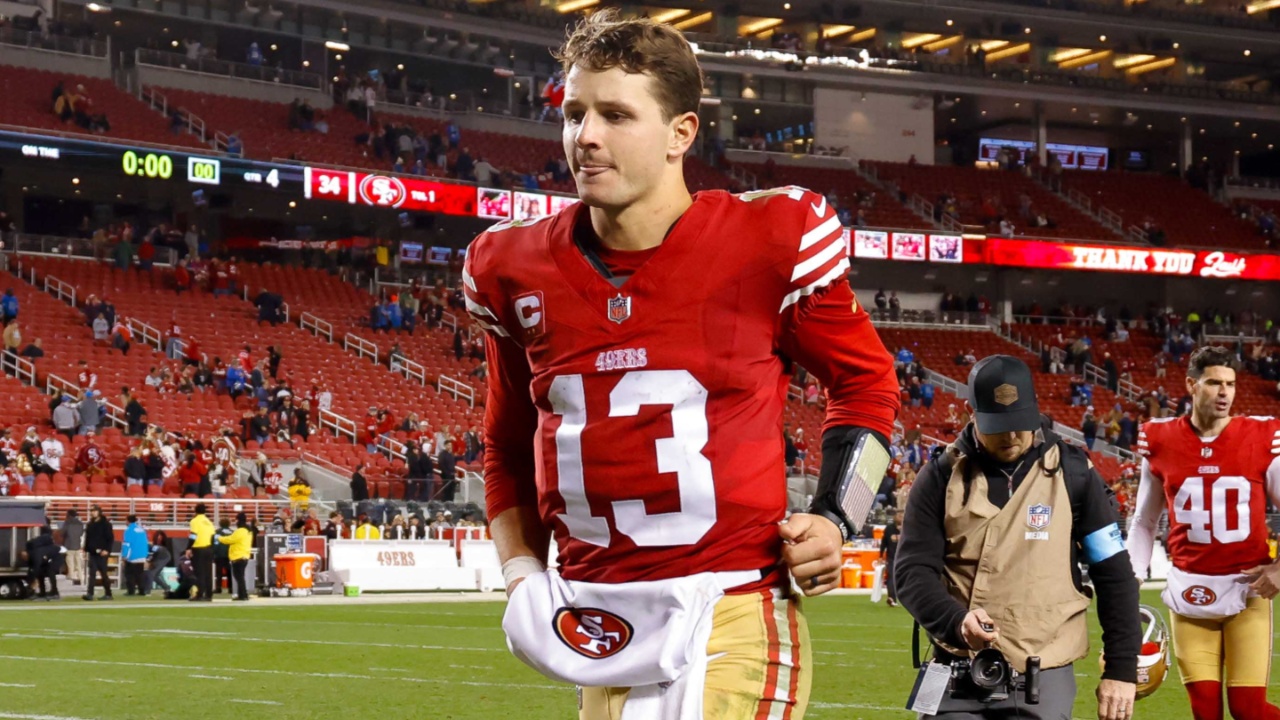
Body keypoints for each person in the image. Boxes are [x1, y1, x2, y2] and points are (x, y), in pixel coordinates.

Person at [463, 11, 899, 719]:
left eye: (615, 115)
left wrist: (833, 519)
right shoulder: (510, 266)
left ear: (680, 133)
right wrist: (519, 573)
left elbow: (866, 382)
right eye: (574, 114)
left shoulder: (769, 238)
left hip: (729, 601)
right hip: (594, 617)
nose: (586, 136)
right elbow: (507, 443)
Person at [895, 355, 1140, 720]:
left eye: (1019, 423)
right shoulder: (940, 476)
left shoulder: (1076, 473)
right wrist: (956, 621)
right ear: (972, 413)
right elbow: (911, 573)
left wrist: (1121, 669)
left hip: (1044, 672)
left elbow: (1113, 572)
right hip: (955, 666)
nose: (1011, 436)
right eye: (998, 426)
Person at [1127, 346, 1280, 720]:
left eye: (1230, 384)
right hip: (1189, 590)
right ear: (1191, 385)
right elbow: (1143, 522)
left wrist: (1279, 567)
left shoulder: (1260, 435)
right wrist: (1130, 580)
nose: (1224, 392)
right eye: (1214, 383)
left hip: (1247, 589)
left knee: (1247, 709)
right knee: (1205, 711)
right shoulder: (1160, 438)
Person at [217, 515, 253, 601]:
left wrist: (219, 538)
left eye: (236, 520)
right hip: (244, 556)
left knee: (239, 577)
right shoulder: (248, 531)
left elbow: (230, 539)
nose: (235, 522)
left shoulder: (240, 531)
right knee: (240, 577)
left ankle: (243, 595)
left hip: (238, 556)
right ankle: (243, 594)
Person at [83, 505, 114, 601]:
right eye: (92, 511)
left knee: (103, 573)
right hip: (92, 552)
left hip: (102, 553)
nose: (93, 513)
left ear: (99, 512)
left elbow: (110, 539)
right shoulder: (90, 524)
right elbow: (87, 539)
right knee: (92, 573)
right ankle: (90, 594)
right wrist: (86, 550)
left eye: (94, 511)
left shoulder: (106, 524)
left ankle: (108, 593)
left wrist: (107, 550)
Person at [188, 503, 215, 601]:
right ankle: (209, 594)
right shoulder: (209, 522)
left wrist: (188, 548)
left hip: (198, 548)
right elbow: (213, 537)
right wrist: (212, 549)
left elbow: (193, 535)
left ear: (195, 511)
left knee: (200, 573)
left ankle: (200, 594)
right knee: (208, 573)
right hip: (208, 548)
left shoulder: (194, 521)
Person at [879, 508, 903, 608]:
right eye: (899, 516)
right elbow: (883, 542)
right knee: (891, 577)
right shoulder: (889, 529)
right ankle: (891, 598)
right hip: (891, 558)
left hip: (904, 558)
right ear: (894, 517)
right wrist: (880, 556)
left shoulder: (908, 529)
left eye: (902, 516)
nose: (900, 518)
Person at [120, 515, 149, 596]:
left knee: (129, 574)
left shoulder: (129, 530)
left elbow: (127, 544)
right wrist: (145, 555)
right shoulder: (142, 530)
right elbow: (145, 543)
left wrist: (125, 556)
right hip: (142, 555)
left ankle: (131, 591)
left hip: (132, 556)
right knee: (140, 574)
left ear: (128, 521)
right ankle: (142, 591)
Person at [61, 509, 84, 586]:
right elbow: (81, 533)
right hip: (77, 545)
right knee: (78, 564)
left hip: (69, 545)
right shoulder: (80, 523)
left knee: (70, 563)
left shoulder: (67, 523)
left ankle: (72, 577)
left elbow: (63, 533)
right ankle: (81, 578)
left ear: (69, 515)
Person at [213, 518, 234, 595]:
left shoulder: (217, 532)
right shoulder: (232, 532)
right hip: (230, 555)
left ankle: (218, 588)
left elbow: (216, 543)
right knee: (230, 572)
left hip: (219, 555)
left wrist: (214, 553)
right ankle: (231, 588)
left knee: (219, 572)